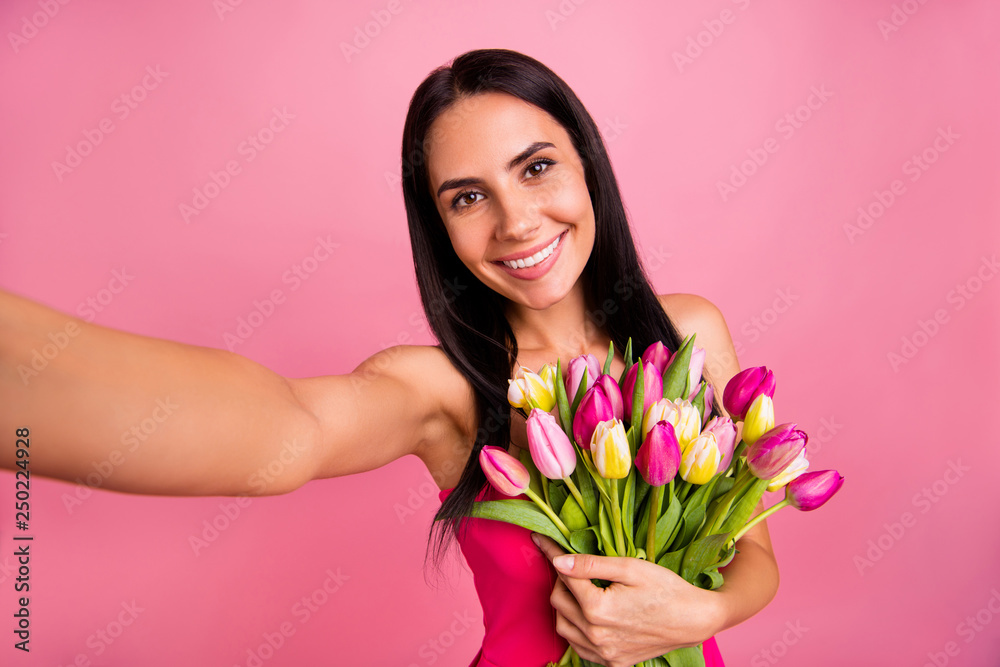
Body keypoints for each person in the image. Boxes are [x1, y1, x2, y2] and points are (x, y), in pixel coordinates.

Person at [1, 48, 778, 667]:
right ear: (438, 225)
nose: (515, 221)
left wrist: (700, 611)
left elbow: (755, 558)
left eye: (536, 167)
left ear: (587, 164)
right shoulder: (444, 387)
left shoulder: (687, 335)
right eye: (467, 197)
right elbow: (290, 429)